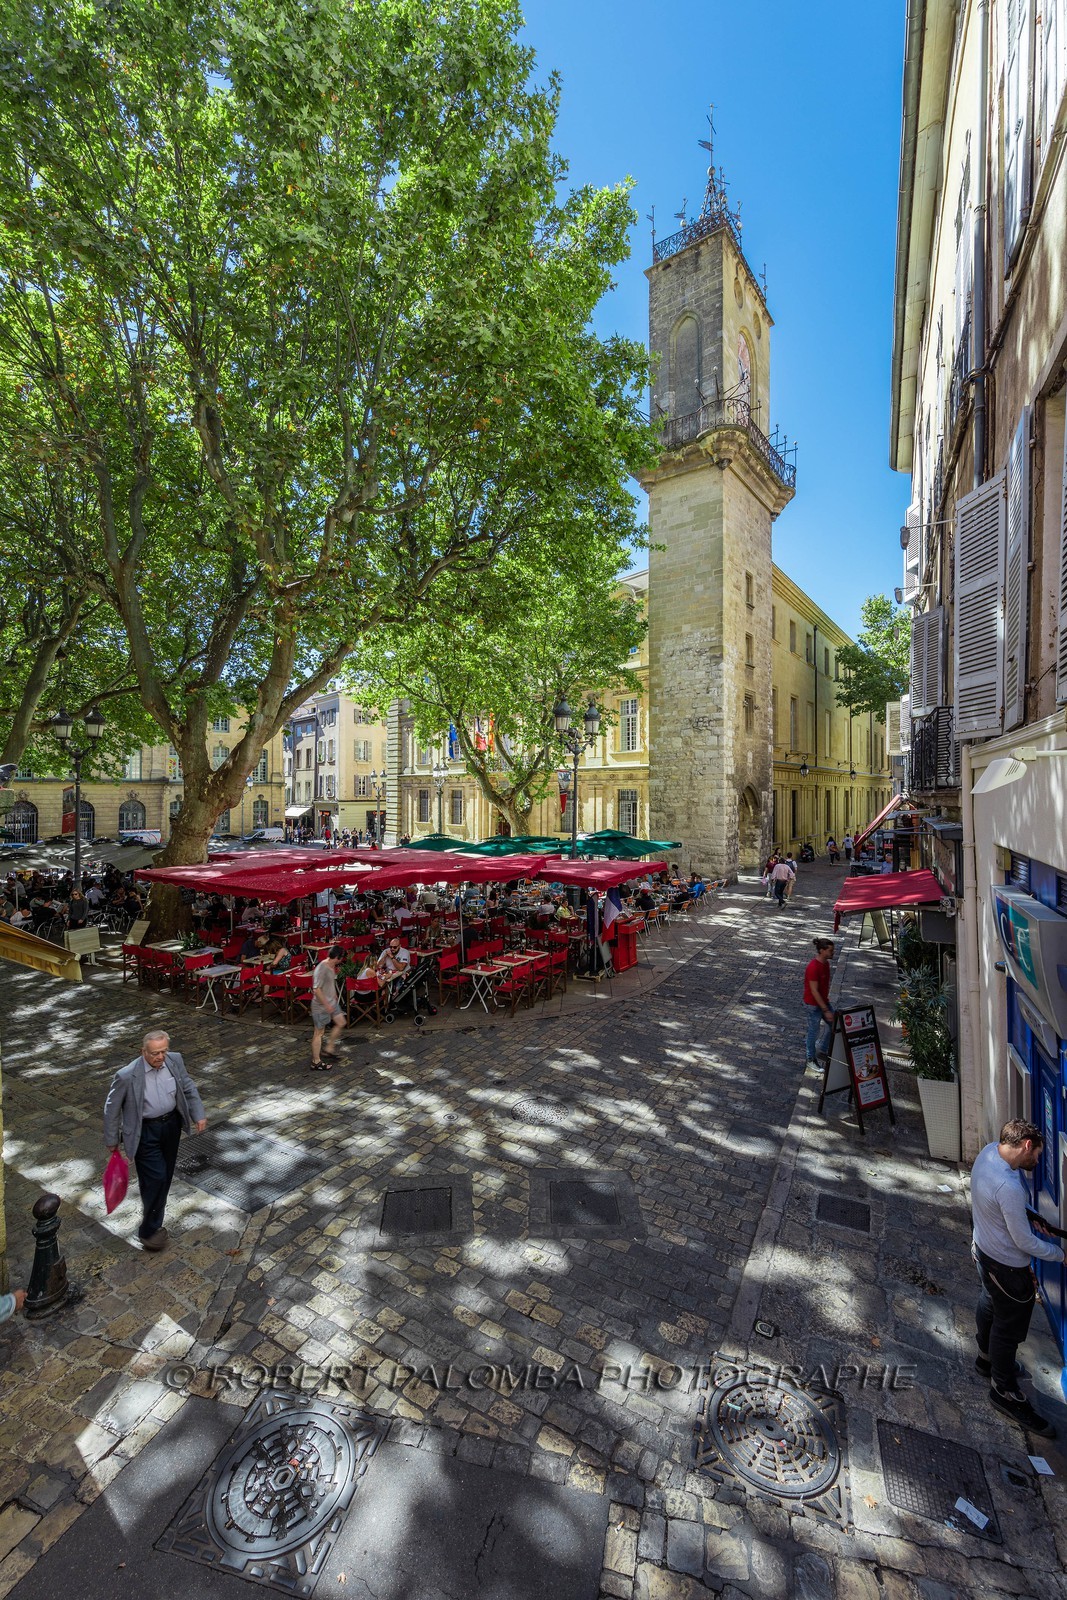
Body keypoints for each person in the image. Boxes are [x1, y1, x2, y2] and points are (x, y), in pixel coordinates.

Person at [971, 1119, 1065, 1437]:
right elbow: (1024, 1242)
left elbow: (1005, 1206)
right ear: (1026, 1145)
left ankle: (985, 1360)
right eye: (1036, 1154)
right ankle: (1005, 1391)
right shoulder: (1008, 1186)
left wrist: (1030, 1214)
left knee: (988, 1304)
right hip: (1006, 1268)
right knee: (1007, 1331)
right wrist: (1060, 1254)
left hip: (982, 1251)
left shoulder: (989, 1154)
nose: (1036, 1161)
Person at [103, 1029, 207, 1251]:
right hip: (145, 1132)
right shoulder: (127, 1075)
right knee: (156, 1178)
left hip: (170, 1127)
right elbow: (111, 1109)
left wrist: (198, 1113)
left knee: (165, 1176)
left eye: (163, 1051)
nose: (160, 1057)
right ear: (143, 1052)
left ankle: (154, 1223)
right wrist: (112, 1140)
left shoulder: (174, 1061)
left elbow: (187, 1087)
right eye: (154, 1053)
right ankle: (148, 1230)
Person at [311, 945, 347, 1070]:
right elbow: (316, 989)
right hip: (321, 1006)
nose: (342, 960)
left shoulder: (332, 966)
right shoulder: (322, 968)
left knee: (341, 1022)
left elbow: (329, 983)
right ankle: (316, 1061)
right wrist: (326, 1004)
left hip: (331, 1002)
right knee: (318, 1033)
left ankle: (329, 1049)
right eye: (341, 958)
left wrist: (334, 995)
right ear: (337, 957)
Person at [803, 938, 835, 1067]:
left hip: (823, 1002)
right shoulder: (813, 967)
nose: (833, 952)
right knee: (813, 1032)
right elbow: (814, 991)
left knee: (834, 1024)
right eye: (830, 950)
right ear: (822, 951)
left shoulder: (826, 964)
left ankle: (823, 1049)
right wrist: (825, 1010)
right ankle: (810, 1059)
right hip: (813, 1005)